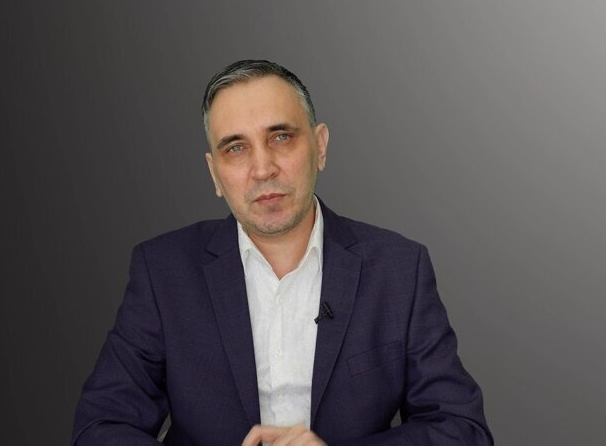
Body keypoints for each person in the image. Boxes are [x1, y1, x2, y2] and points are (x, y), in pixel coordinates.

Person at [72, 60, 493, 445]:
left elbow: (462, 429)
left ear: (320, 146)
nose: (263, 169)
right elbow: (101, 427)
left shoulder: (399, 269)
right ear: (214, 173)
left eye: (281, 137)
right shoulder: (164, 272)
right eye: (236, 148)